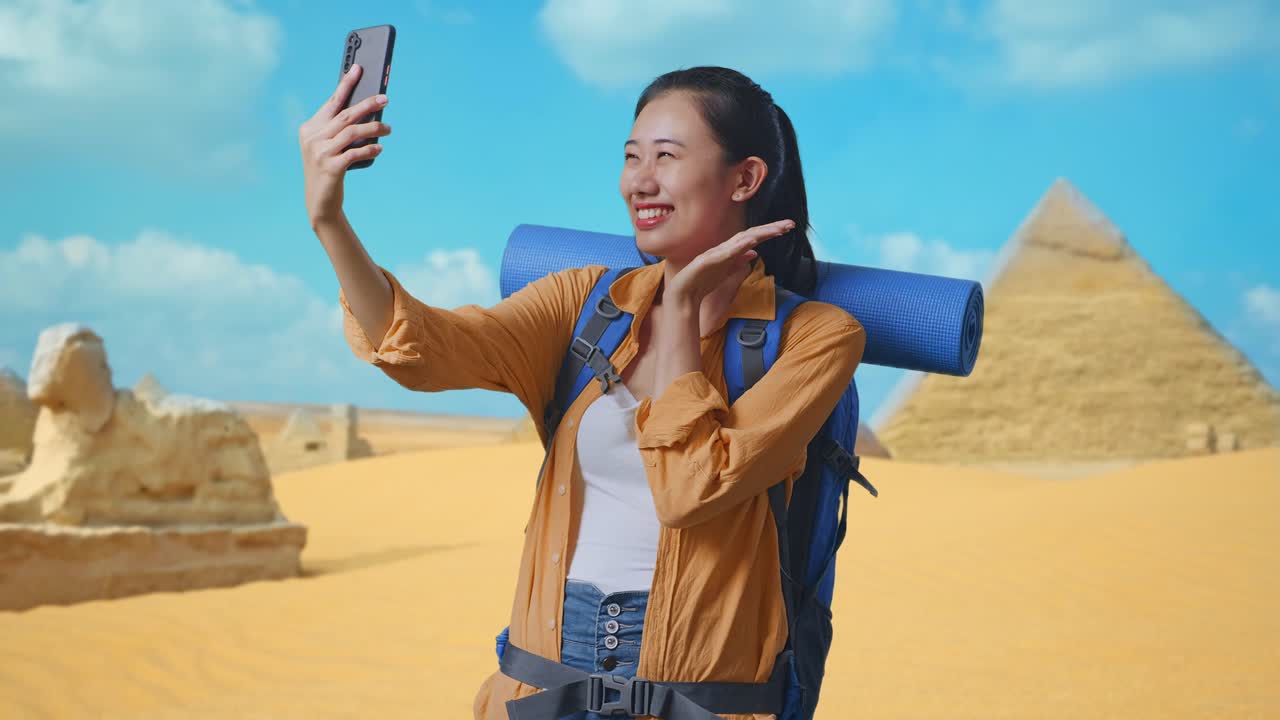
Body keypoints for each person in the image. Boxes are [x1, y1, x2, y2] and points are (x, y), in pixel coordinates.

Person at [300, 64, 866, 720]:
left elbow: (689, 490)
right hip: (540, 689)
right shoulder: (584, 303)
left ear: (745, 178)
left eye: (666, 156)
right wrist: (329, 220)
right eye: (631, 156)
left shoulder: (816, 337)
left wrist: (681, 312)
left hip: (701, 702)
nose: (639, 181)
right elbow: (424, 349)